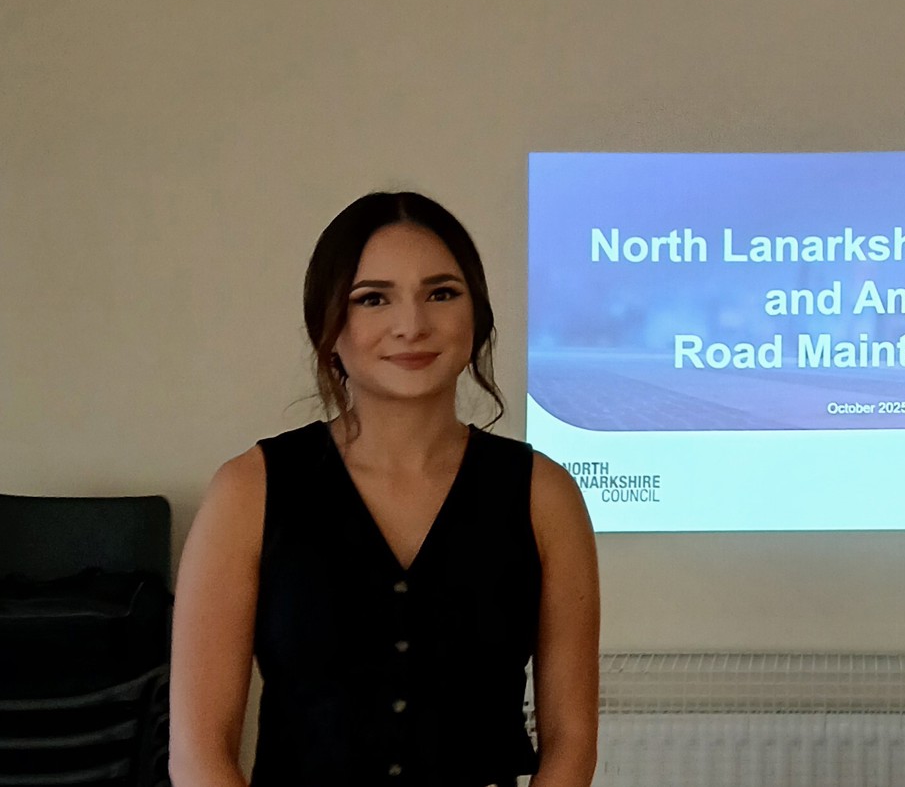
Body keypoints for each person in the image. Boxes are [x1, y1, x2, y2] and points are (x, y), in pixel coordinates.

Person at [170, 192, 600, 787]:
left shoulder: (543, 494)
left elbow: (571, 743)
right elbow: (198, 755)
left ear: (477, 315)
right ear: (328, 325)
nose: (412, 325)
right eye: (373, 298)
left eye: (441, 293)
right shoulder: (250, 489)